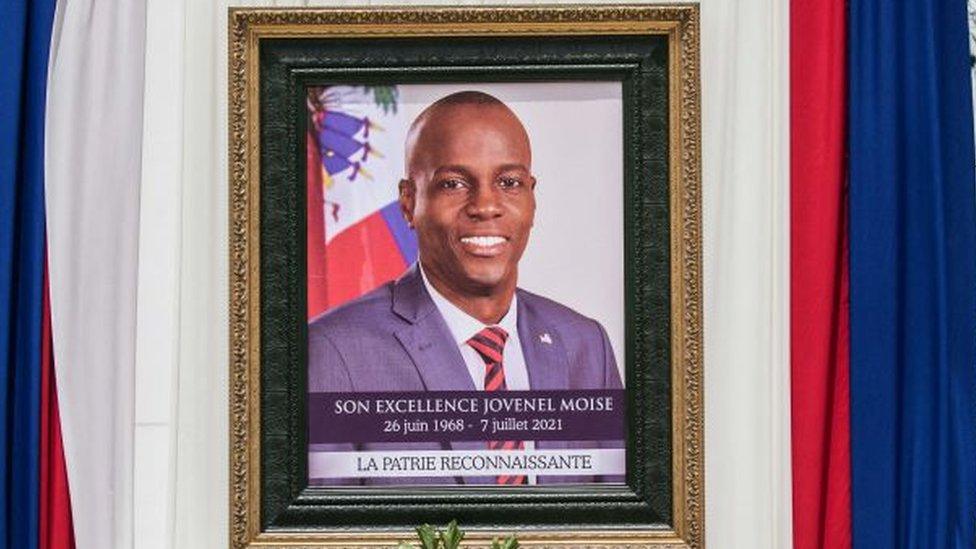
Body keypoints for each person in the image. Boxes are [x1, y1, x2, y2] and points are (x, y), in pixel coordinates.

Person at [308, 91, 622, 485]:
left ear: (532, 197)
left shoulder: (585, 345)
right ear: (408, 202)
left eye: (509, 182)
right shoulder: (334, 354)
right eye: (454, 184)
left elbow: (620, 526)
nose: (485, 205)